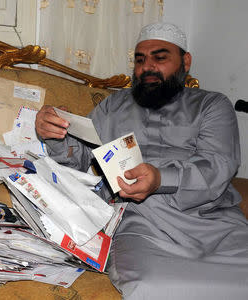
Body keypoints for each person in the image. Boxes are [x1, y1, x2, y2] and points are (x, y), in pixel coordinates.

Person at [35, 22, 248, 300]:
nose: (147, 67)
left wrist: (161, 179)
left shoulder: (212, 105)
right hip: (140, 223)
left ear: (185, 61)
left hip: (212, 221)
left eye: (160, 58)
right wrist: (55, 134)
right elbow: (82, 161)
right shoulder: (113, 105)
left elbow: (218, 166)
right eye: (140, 59)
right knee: (148, 286)